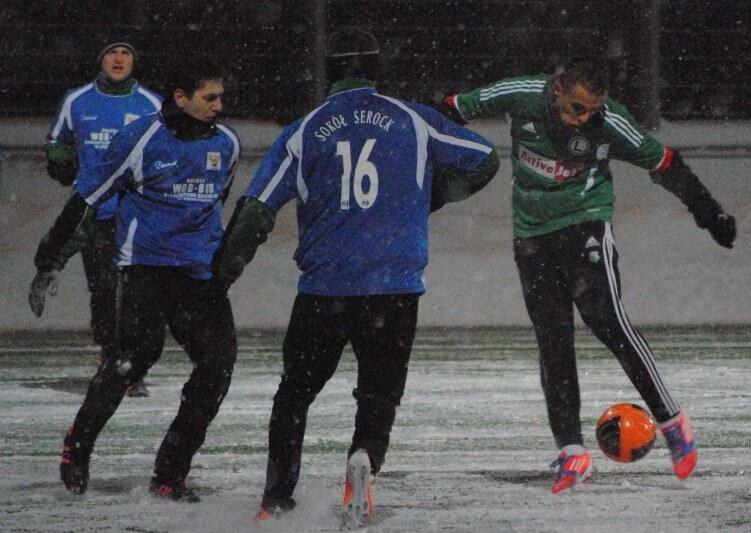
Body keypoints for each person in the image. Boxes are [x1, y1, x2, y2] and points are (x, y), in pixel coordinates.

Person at [212, 28, 499, 527]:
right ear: (375, 68)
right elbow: (485, 158)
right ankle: (363, 457)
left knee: (294, 394)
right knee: (379, 391)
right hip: (394, 285)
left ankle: (276, 498)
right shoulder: (414, 118)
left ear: (327, 71)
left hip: (326, 286)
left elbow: (256, 211)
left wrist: (221, 278)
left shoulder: (303, 131)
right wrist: (431, 197)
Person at [442, 57, 736, 493]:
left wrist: (709, 213)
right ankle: (571, 453)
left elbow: (665, 163)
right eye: (578, 108)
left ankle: (674, 424)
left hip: (586, 225)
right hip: (531, 237)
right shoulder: (519, 94)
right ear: (558, 90)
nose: (585, 119)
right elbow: (451, 108)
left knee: (610, 324)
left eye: (592, 111)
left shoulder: (610, 121)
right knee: (553, 340)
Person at [29, 50, 240, 502]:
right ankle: (78, 444)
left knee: (218, 368)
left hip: (198, 277)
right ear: (180, 98)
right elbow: (86, 202)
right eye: (210, 98)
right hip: (146, 271)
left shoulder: (226, 144)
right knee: (134, 357)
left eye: (221, 97)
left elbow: (217, 202)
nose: (219, 106)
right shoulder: (139, 140)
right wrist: (50, 260)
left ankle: (169, 474)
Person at [44, 37, 162, 397]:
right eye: (112, 52)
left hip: (137, 216)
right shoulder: (77, 101)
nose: (119, 58)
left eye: (126, 52)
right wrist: (61, 160)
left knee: (137, 291)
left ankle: (132, 361)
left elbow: (166, 145)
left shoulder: (151, 104)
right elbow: (58, 141)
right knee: (105, 289)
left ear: (134, 61)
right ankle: (112, 354)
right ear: (101, 59)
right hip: (94, 213)